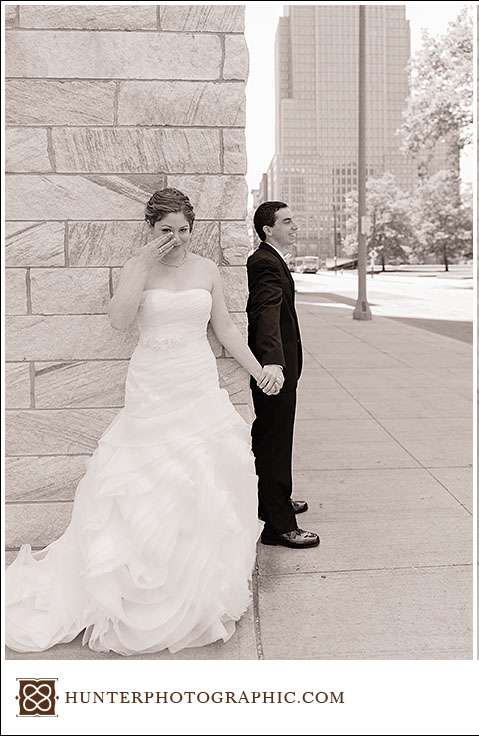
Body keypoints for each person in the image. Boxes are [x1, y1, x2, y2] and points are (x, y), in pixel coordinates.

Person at [5, 188, 275, 654]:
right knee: (145, 478)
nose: (177, 238)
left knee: (204, 475)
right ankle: (139, 583)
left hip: (195, 381)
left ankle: (197, 586)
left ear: (194, 229)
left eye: (184, 230)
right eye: (166, 229)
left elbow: (226, 329)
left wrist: (261, 371)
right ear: (150, 230)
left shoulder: (207, 270)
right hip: (152, 382)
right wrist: (140, 267)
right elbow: (118, 320)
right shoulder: (138, 268)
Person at [246, 202, 319, 549]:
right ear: (267, 229)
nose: (295, 226)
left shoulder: (270, 259)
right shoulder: (264, 263)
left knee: (270, 438)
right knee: (275, 442)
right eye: (287, 222)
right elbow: (266, 312)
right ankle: (279, 526)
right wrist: (273, 362)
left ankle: (275, 501)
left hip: (279, 367)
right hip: (274, 372)